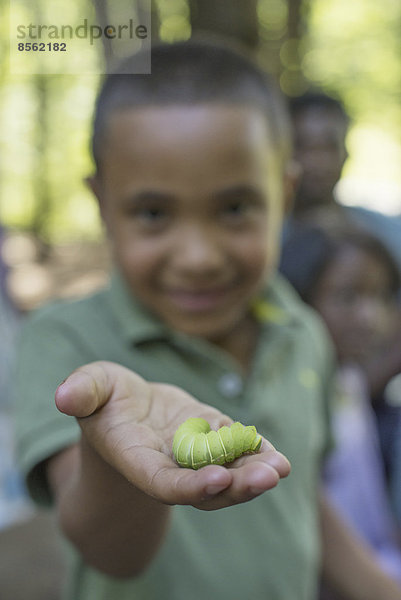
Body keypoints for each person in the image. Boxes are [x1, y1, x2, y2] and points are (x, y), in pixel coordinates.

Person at [14, 40, 401, 600]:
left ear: (285, 195)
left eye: (235, 209)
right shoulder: (65, 342)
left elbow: (298, 494)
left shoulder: (302, 329)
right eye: (153, 213)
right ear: (102, 204)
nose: (198, 257)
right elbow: (111, 555)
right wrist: (108, 448)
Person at [280, 222, 401, 594]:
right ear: (299, 300)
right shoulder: (293, 395)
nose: (372, 317)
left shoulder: (346, 379)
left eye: (383, 297)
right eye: (348, 298)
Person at [287, 92, 401, 269]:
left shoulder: (383, 231)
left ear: (346, 153)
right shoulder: (264, 237)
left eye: (329, 147)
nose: (316, 161)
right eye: (303, 146)